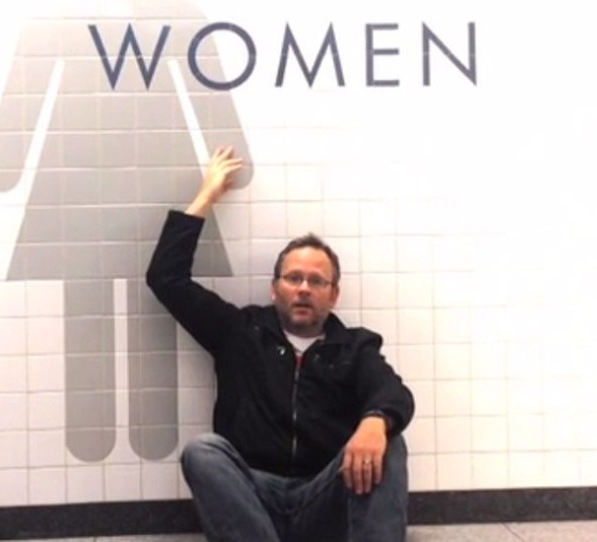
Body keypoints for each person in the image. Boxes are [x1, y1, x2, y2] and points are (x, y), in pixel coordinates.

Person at [146, 146, 415, 542]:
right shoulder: (240, 331)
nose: (304, 288)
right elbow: (166, 279)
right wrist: (206, 196)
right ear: (275, 289)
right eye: (293, 278)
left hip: (325, 496)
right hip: (254, 497)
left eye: (317, 281)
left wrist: (376, 422)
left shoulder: (354, 347)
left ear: (334, 295)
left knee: (388, 439)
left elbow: (392, 392)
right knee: (203, 451)